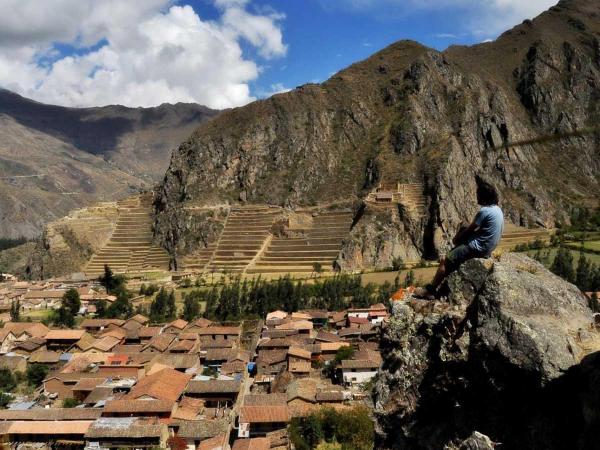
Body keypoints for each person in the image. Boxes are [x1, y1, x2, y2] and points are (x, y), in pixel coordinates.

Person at [414, 176, 504, 299]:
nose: (476, 196)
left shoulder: (484, 212)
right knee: (464, 230)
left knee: (446, 260)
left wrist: (457, 239)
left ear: (483, 196)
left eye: (478, 194)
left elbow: (470, 230)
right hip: (488, 248)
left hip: (477, 248)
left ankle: (430, 290)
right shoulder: (497, 209)